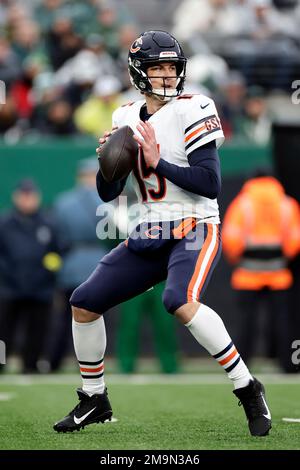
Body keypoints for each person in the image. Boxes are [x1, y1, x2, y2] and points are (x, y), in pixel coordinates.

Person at [53, 30, 272, 437]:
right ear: (139, 71)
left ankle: (247, 386)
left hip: (195, 224)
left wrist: (157, 162)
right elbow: (109, 193)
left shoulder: (195, 108)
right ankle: (94, 398)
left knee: (179, 300)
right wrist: (108, 163)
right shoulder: (124, 116)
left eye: (172, 67)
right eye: (158, 67)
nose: (167, 75)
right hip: (150, 227)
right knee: (83, 302)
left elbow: (210, 183)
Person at [222, 172, 300, 372]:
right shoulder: (287, 204)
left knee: (246, 323)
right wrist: (283, 256)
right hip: (279, 273)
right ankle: (288, 365)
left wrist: (238, 258)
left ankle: (240, 366)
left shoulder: (242, 204)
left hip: (247, 274)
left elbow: (231, 238)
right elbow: (295, 238)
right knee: (282, 323)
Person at [48, 158, 110, 372]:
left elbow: (57, 239)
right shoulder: (108, 203)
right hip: (100, 266)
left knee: (66, 318)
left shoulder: (63, 202)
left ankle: (55, 362)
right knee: (96, 319)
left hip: (71, 266)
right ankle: (91, 363)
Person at [0, 179, 63, 373]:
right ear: (16, 197)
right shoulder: (4, 223)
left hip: (40, 287)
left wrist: (46, 273)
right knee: (3, 332)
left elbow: (56, 252)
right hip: (9, 287)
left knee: (37, 330)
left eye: (31, 196)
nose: (27, 200)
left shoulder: (48, 223)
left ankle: (30, 365)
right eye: (24, 195)